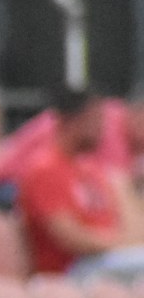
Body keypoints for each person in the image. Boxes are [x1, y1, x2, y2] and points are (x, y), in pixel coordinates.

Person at [15, 90, 144, 281]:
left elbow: (130, 224)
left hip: (107, 261)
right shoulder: (45, 169)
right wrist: (121, 243)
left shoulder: (91, 169)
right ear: (72, 120)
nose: (101, 129)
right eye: (94, 120)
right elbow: (71, 238)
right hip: (69, 271)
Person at [0, 90, 138, 206]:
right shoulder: (106, 122)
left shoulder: (107, 115)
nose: (97, 127)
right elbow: (116, 187)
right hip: (8, 185)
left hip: (27, 180)